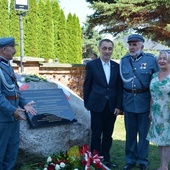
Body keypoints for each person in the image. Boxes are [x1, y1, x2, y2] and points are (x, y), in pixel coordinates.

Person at [120, 34, 159, 170]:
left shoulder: (151, 60)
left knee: (144, 134)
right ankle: (130, 160)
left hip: (145, 102)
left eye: (135, 44)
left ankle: (142, 160)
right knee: (130, 134)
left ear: (142, 45)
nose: (132, 47)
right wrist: (120, 105)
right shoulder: (124, 61)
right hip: (129, 102)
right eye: (130, 44)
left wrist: (154, 104)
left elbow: (157, 81)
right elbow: (120, 84)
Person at [83, 38, 123, 169]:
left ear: (112, 50)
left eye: (109, 48)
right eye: (104, 48)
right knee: (96, 134)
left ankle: (106, 159)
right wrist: (87, 104)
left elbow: (119, 88)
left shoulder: (116, 67)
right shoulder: (92, 65)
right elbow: (87, 85)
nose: (107, 51)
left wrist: (118, 106)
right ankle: (96, 160)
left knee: (108, 135)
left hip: (112, 107)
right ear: (99, 49)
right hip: (96, 106)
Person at [0, 37, 37, 169]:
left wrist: (24, 104)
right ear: (4, 49)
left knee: (11, 154)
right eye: (13, 47)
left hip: (13, 118)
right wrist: (12, 110)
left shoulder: (7, 66)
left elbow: (15, 90)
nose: (15, 50)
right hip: (3, 120)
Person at [147, 50, 170, 170]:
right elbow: (152, 94)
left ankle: (164, 167)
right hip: (156, 112)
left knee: (167, 141)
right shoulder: (155, 75)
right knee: (159, 139)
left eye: (164, 58)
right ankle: (162, 165)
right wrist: (151, 110)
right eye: (160, 58)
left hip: (168, 113)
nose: (161, 60)